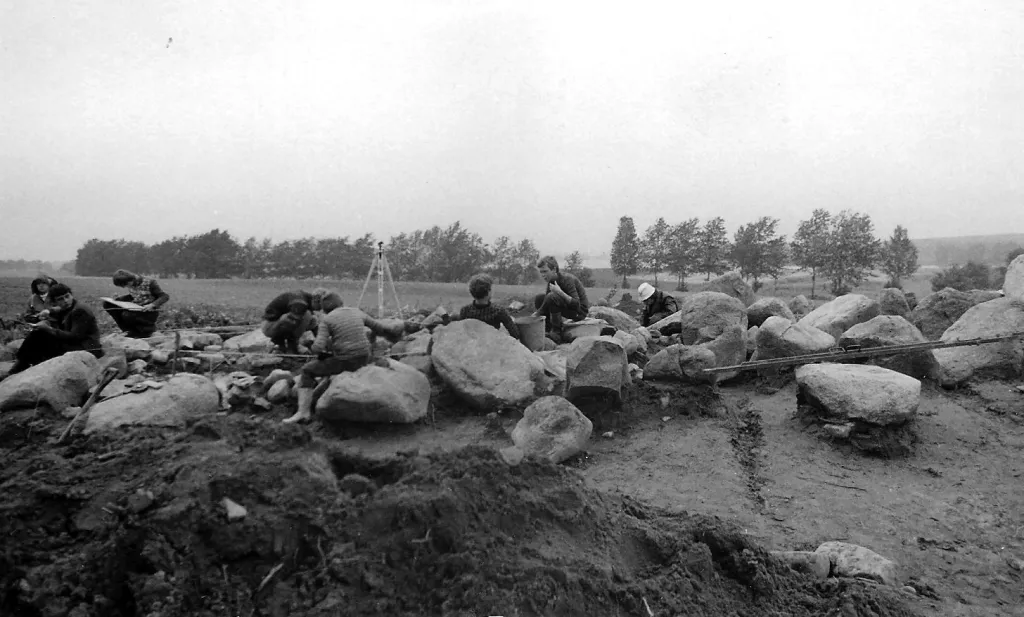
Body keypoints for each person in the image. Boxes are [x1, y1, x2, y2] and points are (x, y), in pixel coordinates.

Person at [283, 291, 406, 424]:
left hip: (347, 361)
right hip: (364, 357)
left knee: (308, 370)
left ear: (325, 309)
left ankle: (303, 412)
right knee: (331, 360)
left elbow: (318, 347)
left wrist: (310, 347)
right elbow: (381, 328)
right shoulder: (357, 312)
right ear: (341, 303)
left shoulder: (327, 319)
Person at [8, 283, 103, 375]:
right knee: (38, 335)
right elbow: (58, 310)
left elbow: (75, 337)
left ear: (71, 295)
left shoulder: (80, 310)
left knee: (39, 336)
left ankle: (19, 366)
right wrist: (48, 313)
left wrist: (48, 328)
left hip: (87, 348)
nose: (65, 301)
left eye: (67, 296)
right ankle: (23, 365)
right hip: (78, 345)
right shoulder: (69, 306)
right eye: (60, 299)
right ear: (55, 302)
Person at [532, 255, 589, 343]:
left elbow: (576, 304)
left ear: (554, 269)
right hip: (569, 308)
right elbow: (546, 302)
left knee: (552, 296)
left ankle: (557, 333)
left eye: (545, 271)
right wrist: (539, 312)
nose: (543, 275)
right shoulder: (551, 281)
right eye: (541, 272)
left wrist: (560, 292)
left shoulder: (567, 279)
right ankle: (548, 328)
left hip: (579, 312)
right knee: (540, 298)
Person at [449, 273, 520, 339]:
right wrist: (510, 320)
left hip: (472, 348)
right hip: (491, 346)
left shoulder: (465, 311)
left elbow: (462, 332)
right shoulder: (499, 311)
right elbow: (515, 334)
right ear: (488, 292)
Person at [103, 269, 170, 338]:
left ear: (130, 279)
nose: (126, 287)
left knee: (127, 314)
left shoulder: (150, 282)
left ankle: (145, 330)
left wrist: (152, 305)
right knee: (107, 304)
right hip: (136, 307)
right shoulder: (131, 283)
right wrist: (117, 299)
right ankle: (128, 330)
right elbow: (134, 296)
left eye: (126, 284)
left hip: (148, 311)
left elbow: (164, 296)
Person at [262, 289, 327, 354]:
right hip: (269, 326)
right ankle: (283, 346)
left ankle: (289, 346)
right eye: (321, 306)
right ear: (316, 301)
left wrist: (322, 343)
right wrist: (291, 347)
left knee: (313, 319)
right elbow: (290, 323)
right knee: (305, 315)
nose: (321, 309)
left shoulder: (307, 301)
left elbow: (315, 327)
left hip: (276, 324)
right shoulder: (300, 303)